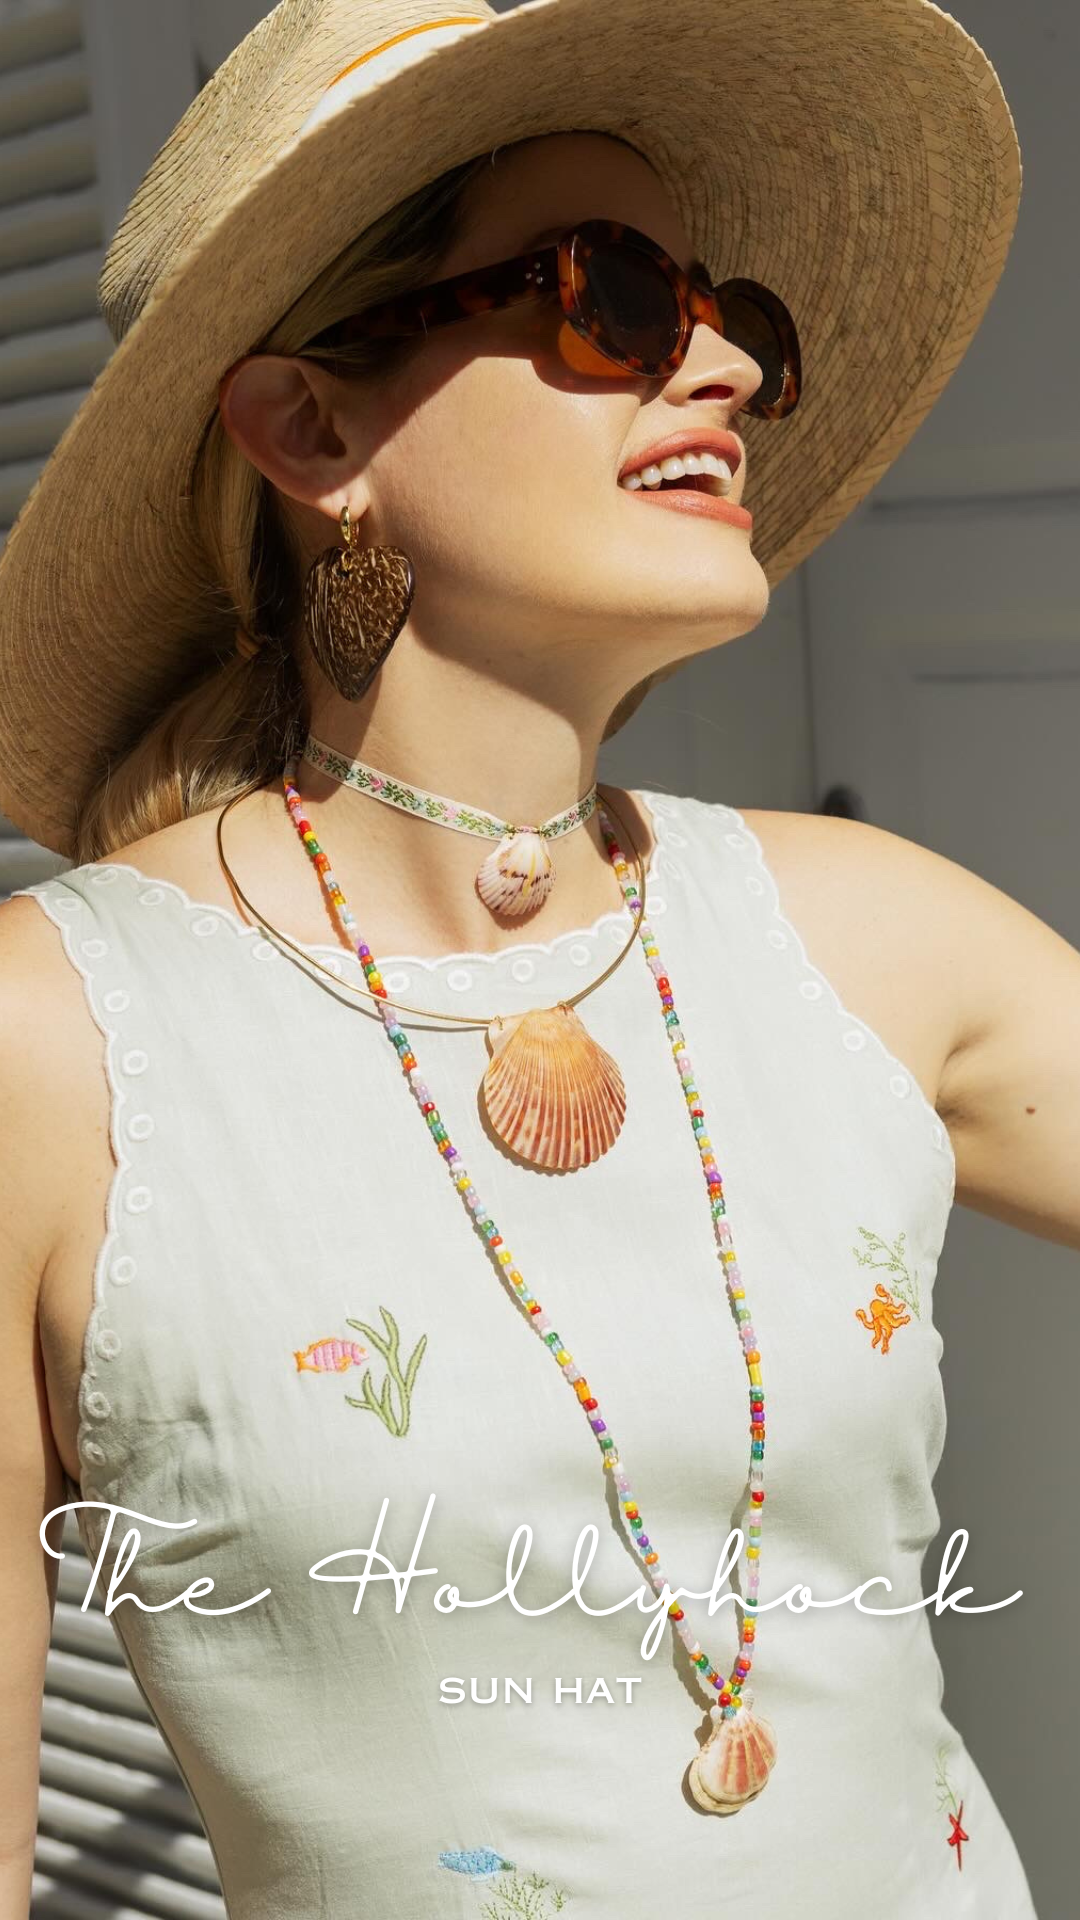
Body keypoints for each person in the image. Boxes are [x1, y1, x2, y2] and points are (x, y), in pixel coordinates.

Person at [0, 2, 1067, 1914]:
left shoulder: (867, 937)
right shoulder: (58, 1048)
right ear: (312, 429)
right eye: (619, 299)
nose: (724, 366)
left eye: (732, 315)